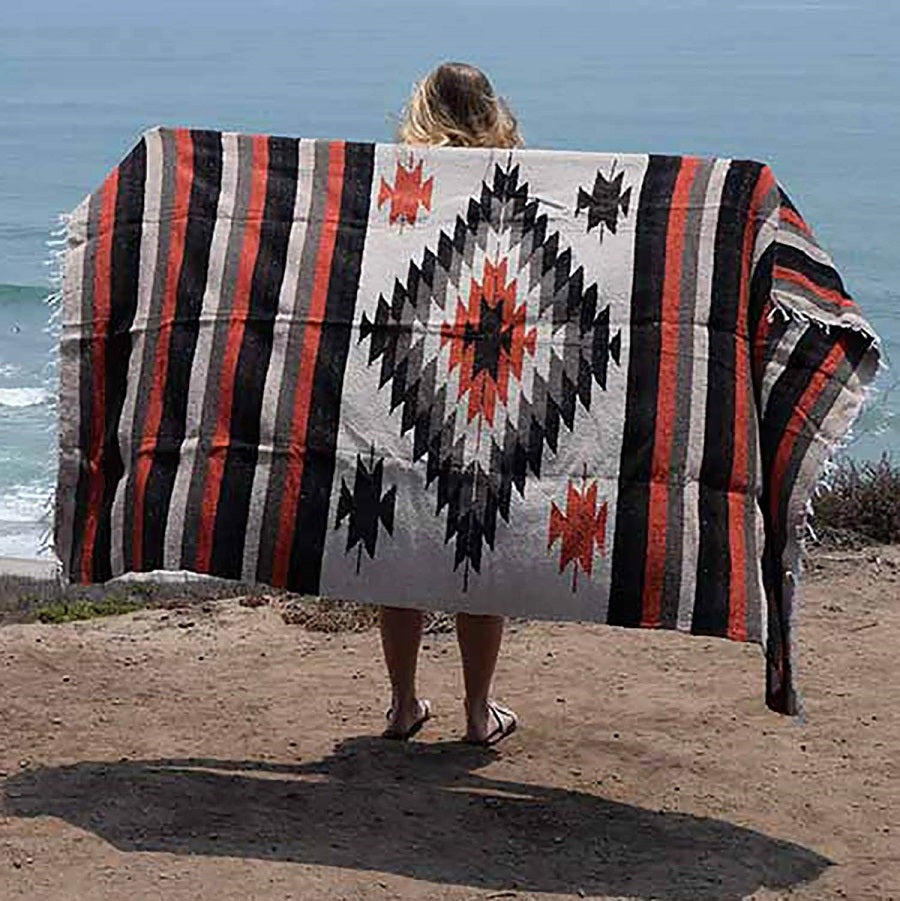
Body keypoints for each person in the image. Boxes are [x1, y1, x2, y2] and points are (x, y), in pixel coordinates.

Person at [380, 62, 522, 746]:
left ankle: (404, 702)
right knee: (480, 546)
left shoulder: (399, 184)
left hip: (403, 387)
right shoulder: (520, 183)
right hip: (490, 389)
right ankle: (476, 710)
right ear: (491, 109)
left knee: (400, 546)